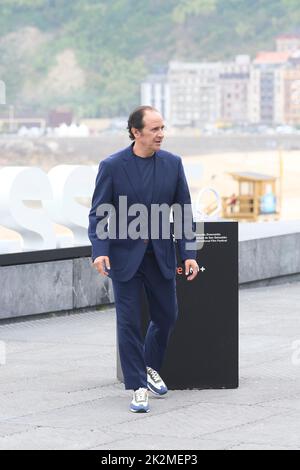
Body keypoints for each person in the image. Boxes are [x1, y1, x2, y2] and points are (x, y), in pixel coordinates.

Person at [88, 106, 199, 413]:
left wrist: (188, 253)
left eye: (162, 128)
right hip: (124, 258)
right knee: (127, 323)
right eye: (154, 129)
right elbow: (99, 212)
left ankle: (149, 367)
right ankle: (137, 386)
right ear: (136, 133)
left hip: (161, 256)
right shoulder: (112, 166)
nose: (161, 134)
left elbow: (184, 212)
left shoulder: (173, 164)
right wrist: (100, 250)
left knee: (167, 317)